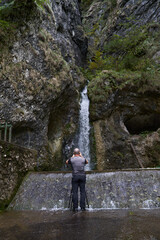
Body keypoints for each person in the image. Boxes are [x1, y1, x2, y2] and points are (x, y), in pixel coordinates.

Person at [66, 148, 88, 212]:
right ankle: (83, 207)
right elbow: (87, 162)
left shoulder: (72, 159)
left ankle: (75, 207)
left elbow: (66, 162)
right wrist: (81, 156)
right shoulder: (83, 159)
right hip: (82, 176)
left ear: (74, 153)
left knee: (75, 192)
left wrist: (72, 156)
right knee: (82, 192)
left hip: (75, 176)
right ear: (79, 153)